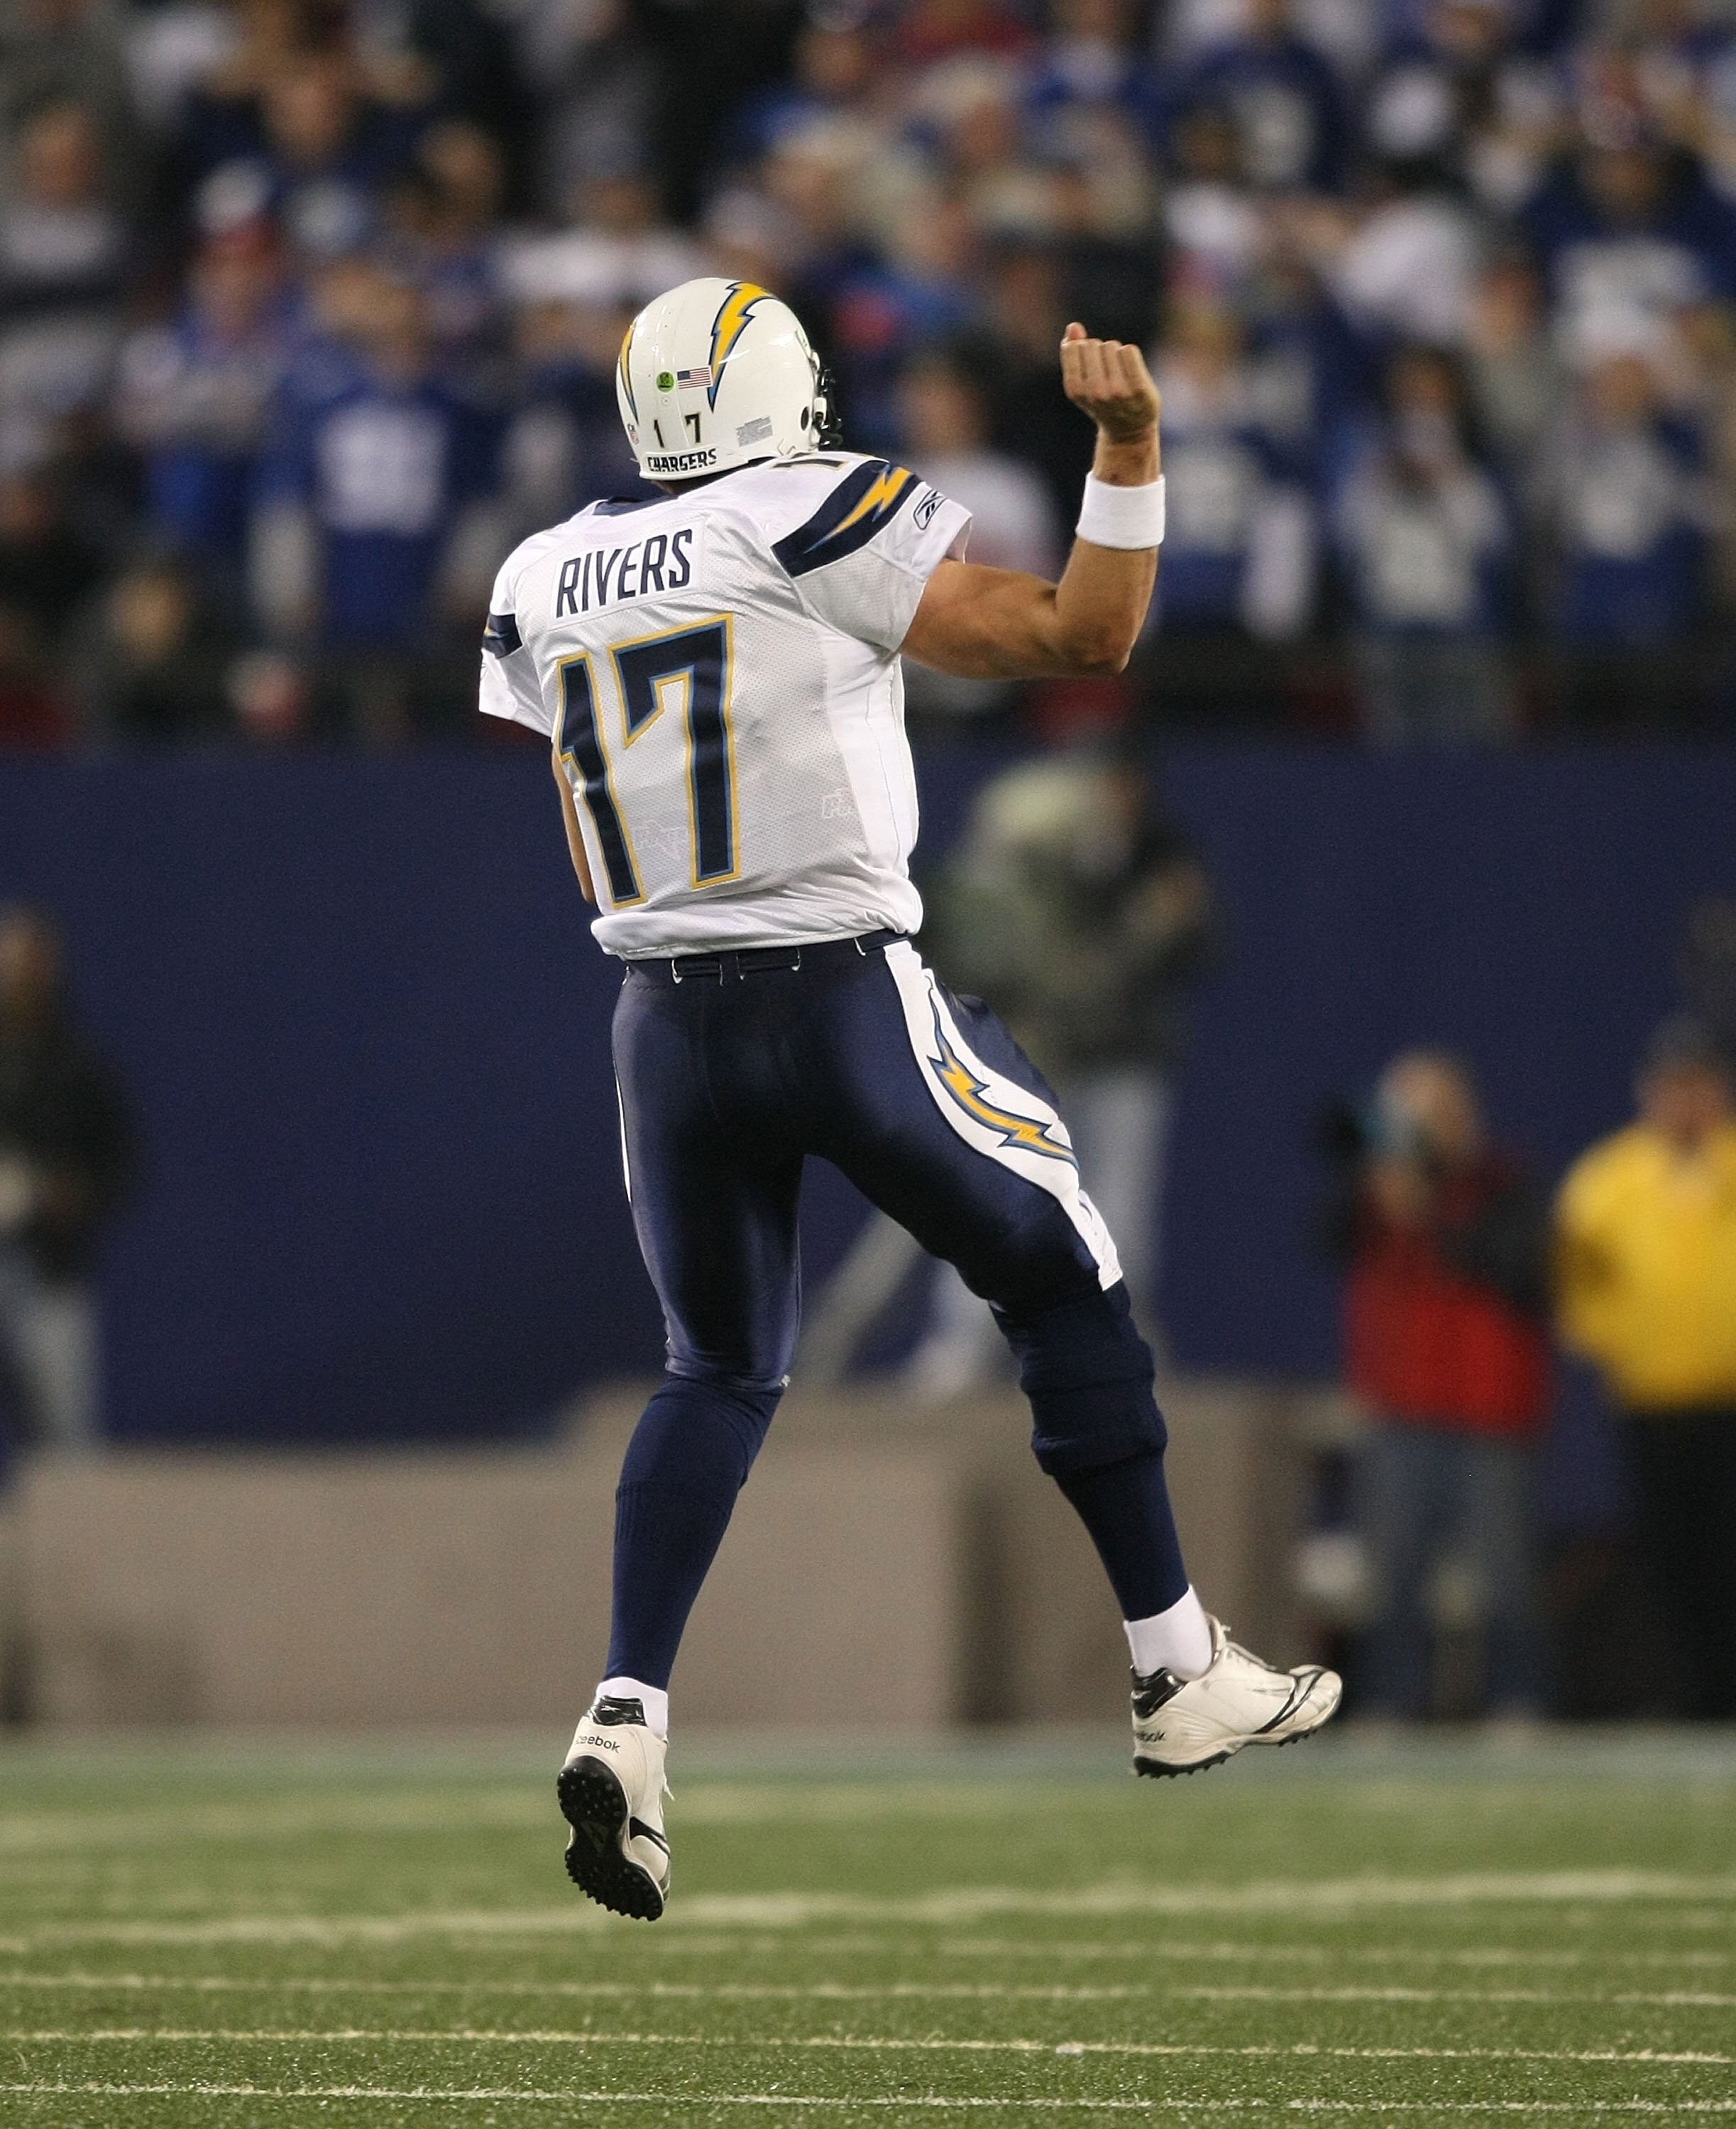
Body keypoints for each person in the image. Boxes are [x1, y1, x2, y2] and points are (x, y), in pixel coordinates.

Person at [479, 275, 1341, 1922]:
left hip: (657, 1019)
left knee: (715, 1369)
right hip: (830, 988)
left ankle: (627, 1709)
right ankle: (1175, 1667)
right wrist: (1127, 452)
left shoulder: (540, 572)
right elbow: (1082, 637)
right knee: (1064, 1268)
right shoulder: (812, 506)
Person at [1323, 1051, 1552, 1722]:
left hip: (1489, 1415)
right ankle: (1392, 1702)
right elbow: (1325, 1236)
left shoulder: (1504, 1185)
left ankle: (1518, 1701)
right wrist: (1379, 1185)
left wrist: (1432, 1209)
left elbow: (1520, 1267)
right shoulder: (1376, 1191)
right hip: (1401, 1412)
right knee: (1393, 1573)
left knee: (1505, 1576)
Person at [1556, 1016, 1736, 1720]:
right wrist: (1622, 1341)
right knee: (1669, 1559)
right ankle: (1689, 1701)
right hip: (1651, 1402)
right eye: (1672, 1085)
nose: (1684, 1101)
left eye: (1697, 1084)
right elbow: (1575, 1284)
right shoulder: (1609, 1180)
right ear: (1648, 1091)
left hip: (1729, 1400)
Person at [0, 906, 135, 1456]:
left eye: (33, 965)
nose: (21, 978)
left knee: (65, 1443)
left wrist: (74, 1192)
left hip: (51, 1274)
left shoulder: (80, 1069)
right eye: (12, 965)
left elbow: (124, 1166)